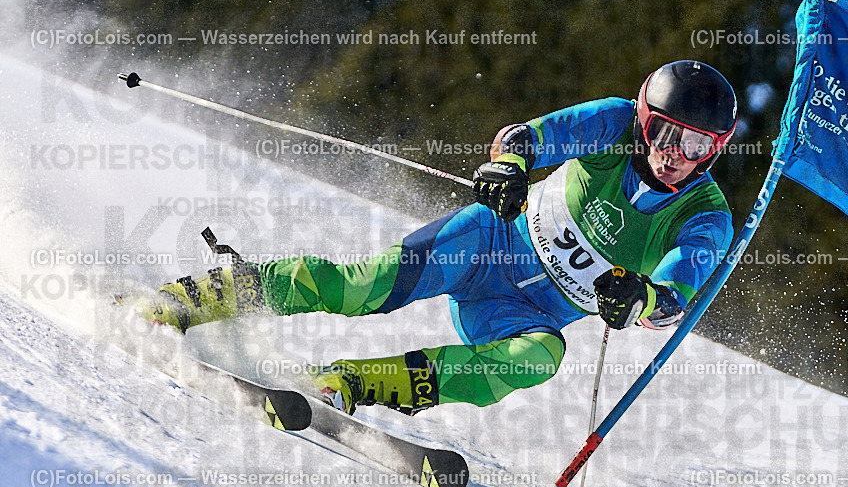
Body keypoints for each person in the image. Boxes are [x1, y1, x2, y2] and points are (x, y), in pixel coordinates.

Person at [133, 60, 737, 415]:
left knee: (542, 359)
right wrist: (509, 166)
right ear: (642, 117)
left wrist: (643, 298)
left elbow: (677, 289)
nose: (672, 156)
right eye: (662, 132)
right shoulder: (611, 125)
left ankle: (353, 382)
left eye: (695, 146)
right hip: (487, 245)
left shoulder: (705, 214)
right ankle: (196, 298)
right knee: (361, 288)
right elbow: (526, 138)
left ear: (717, 149)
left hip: (520, 314)